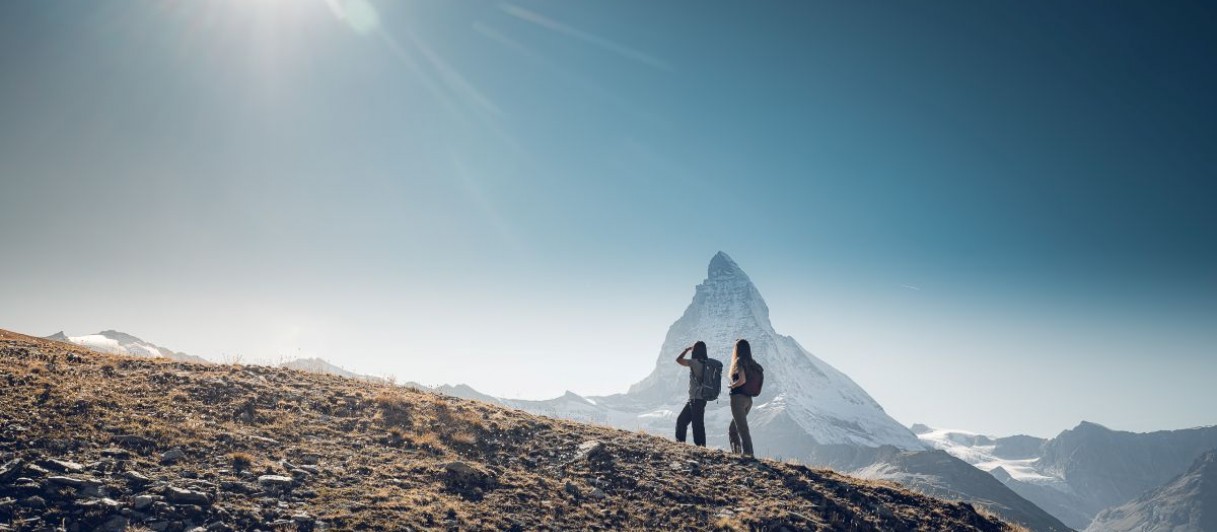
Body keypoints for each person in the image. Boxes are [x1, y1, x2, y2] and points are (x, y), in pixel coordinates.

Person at [674, 341, 710, 446]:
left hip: (696, 399)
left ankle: (701, 449)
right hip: (698, 399)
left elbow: (678, 360)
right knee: (685, 421)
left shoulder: (694, 362)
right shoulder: (707, 363)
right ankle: (681, 445)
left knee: (695, 424)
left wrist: (686, 350)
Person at [727, 339, 756, 457]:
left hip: (738, 399)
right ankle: (737, 454)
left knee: (741, 429)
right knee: (733, 429)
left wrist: (732, 385)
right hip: (749, 400)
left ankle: (748, 455)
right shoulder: (752, 363)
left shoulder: (739, 361)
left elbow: (742, 380)